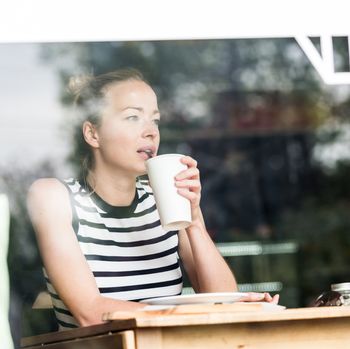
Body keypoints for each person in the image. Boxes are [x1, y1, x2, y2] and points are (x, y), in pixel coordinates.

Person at [27, 68, 279, 331]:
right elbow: (90, 312)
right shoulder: (53, 197)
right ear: (93, 134)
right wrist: (195, 313)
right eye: (133, 117)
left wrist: (193, 221)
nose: (150, 132)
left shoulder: (166, 199)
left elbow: (225, 304)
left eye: (155, 121)